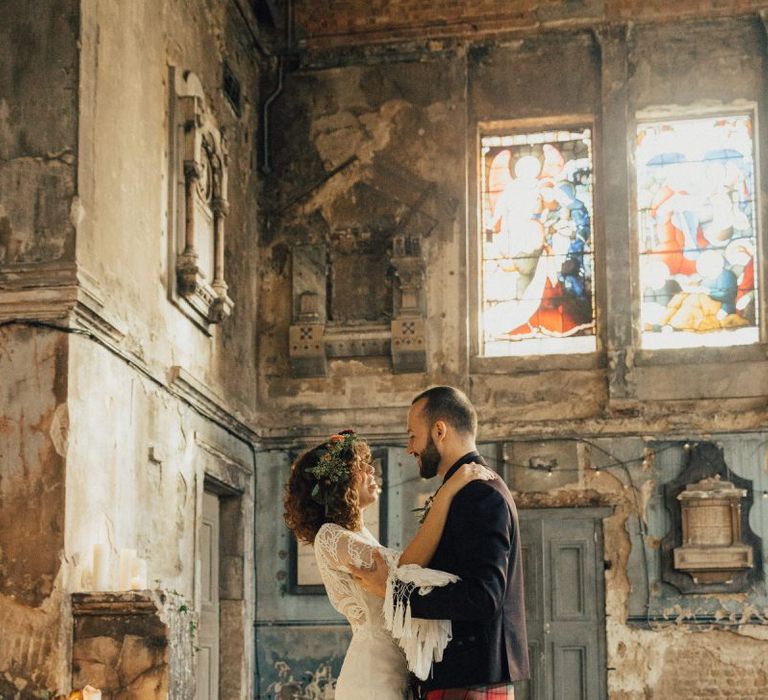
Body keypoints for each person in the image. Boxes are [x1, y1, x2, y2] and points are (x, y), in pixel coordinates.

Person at [283, 429, 495, 699]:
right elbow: (408, 570)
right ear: (336, 483)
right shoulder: (330, 535)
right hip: (372, 676)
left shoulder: (362, 537)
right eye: (360, 466)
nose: (372, 469)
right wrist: (446, 495)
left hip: (395, 671)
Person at [352, 386, 530, 699]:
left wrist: (394, 593)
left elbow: (483, 597)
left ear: (439, 430)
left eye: (412, 435)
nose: (410, 448)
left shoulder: (479, 492)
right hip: (463, 676)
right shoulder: (465, 489)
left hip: (468, 677)